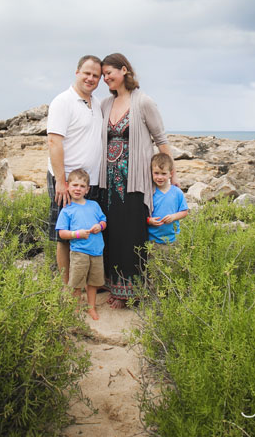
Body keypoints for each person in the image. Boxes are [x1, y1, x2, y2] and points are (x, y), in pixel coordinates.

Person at [97, 53, 176, 307]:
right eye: (103, 75)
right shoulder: (105, 104)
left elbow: (161, 140)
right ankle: (113, 284)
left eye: (109, 73)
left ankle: (130, 292)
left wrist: (172, 177)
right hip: (109, 181)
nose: (105, 78)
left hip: (135, 180)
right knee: (112, 232)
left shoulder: (144, 102)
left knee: (131, 233)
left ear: (124, 70)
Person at [47, 55, 104, 285]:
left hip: (91, 181)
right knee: (64, 235)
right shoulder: (63, 101)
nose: (90, 78)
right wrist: (61, 182)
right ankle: (66, 287)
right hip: (67, 182)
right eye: (87, 73)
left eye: (96, 75)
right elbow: (54, 141)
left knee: (89, 231)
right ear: (77, 72)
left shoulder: (97, 104)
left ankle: (86, 285)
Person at [55, 169, 107, 320]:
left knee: (93, 282)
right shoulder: (67, 209)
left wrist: (100, 226)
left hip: (97, 251)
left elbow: (103, 221)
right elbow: (62, 233)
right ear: (68, 186)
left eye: (82, 186)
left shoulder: (94, 205)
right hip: (79, 252)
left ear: (87, 189)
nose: (78, 189)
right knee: (76, 282)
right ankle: (76, 308)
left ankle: (91, 307)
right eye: (75, 185)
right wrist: (77, 234)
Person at [147, 152, 189, 247]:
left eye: (164, 173)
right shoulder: (150, 192)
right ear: (151, 173)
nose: (160, 177)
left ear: (171, 173)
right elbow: (143, 213)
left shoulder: (177, 192)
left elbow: (184, 212)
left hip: (173, 240)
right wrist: (149, 220)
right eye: (156, 173)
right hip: (152, 241)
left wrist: (173, 217)